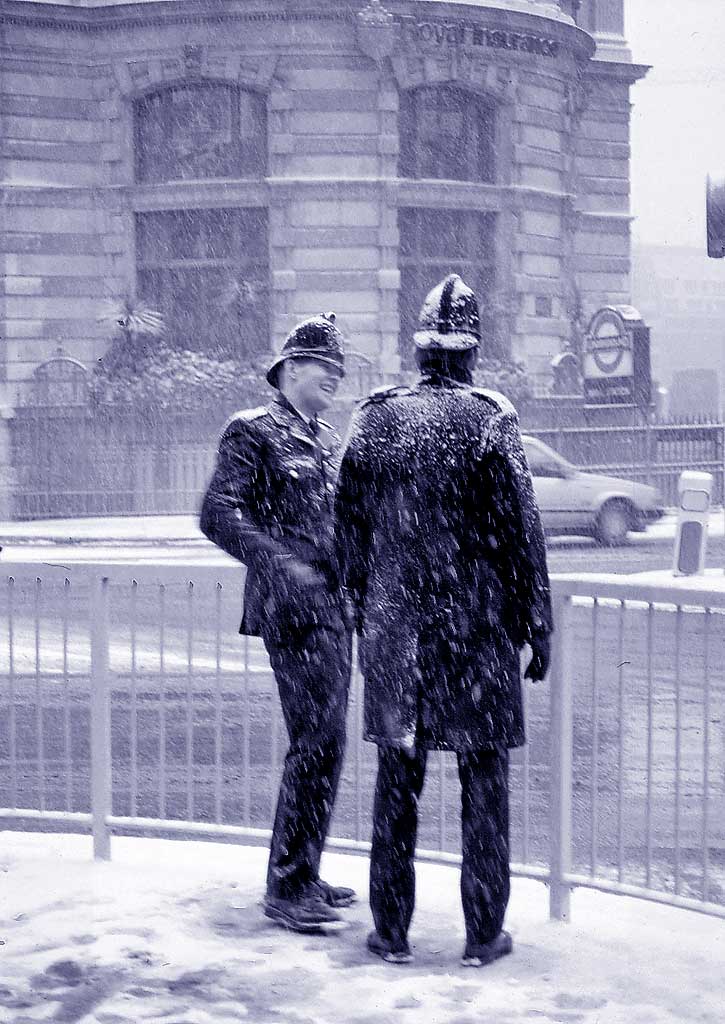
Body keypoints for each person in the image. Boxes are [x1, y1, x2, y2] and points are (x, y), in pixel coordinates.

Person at [334, 274, 552, 966]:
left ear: (419, 347)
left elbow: (347, 530)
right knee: (482, 788)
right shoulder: (491, 417)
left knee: (397, 784)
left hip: (396, 633)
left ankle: (390, 931)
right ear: (470, 352)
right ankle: (481, 933)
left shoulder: (373, 416)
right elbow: (521, 532)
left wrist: (362, 606)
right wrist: (535, 622)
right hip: (477, 634)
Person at [200, 312, 355, 933]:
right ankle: (286, 885)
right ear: (290, 369)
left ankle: (305, 871)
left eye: (341, 372)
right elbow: (217, 512)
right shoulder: (252, 432)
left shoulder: (324, 436)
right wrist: (281, 563)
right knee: (315, 741)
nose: (336, 379)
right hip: (291, 611)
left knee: (329, 743)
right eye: (326, 367)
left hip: (333, 609)